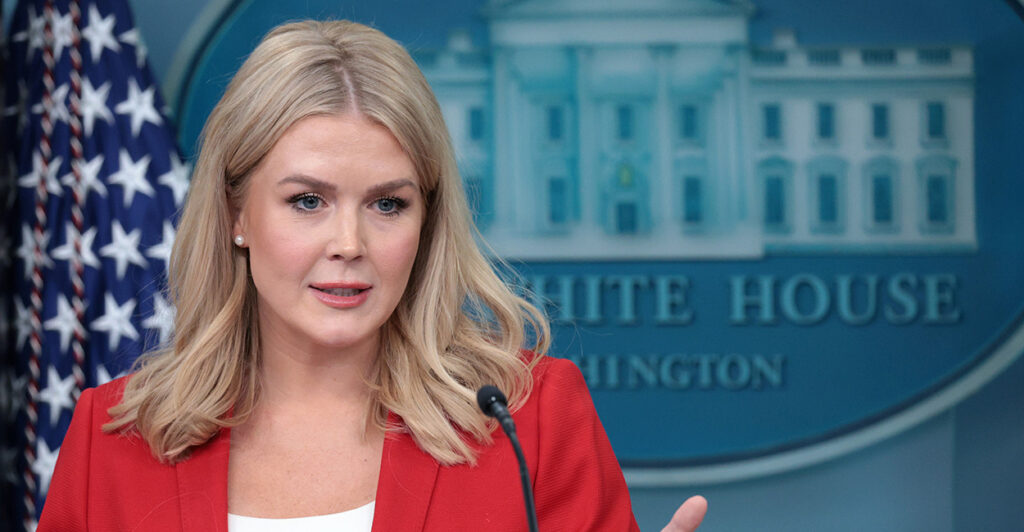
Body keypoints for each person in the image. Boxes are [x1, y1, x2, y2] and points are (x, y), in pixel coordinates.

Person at [37, 20, 707, 531]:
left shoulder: (533, 419)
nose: (350, 243)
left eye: (388, 204)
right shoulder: (111, 440)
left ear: (427, 219)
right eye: (308, 201)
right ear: (235, 212)